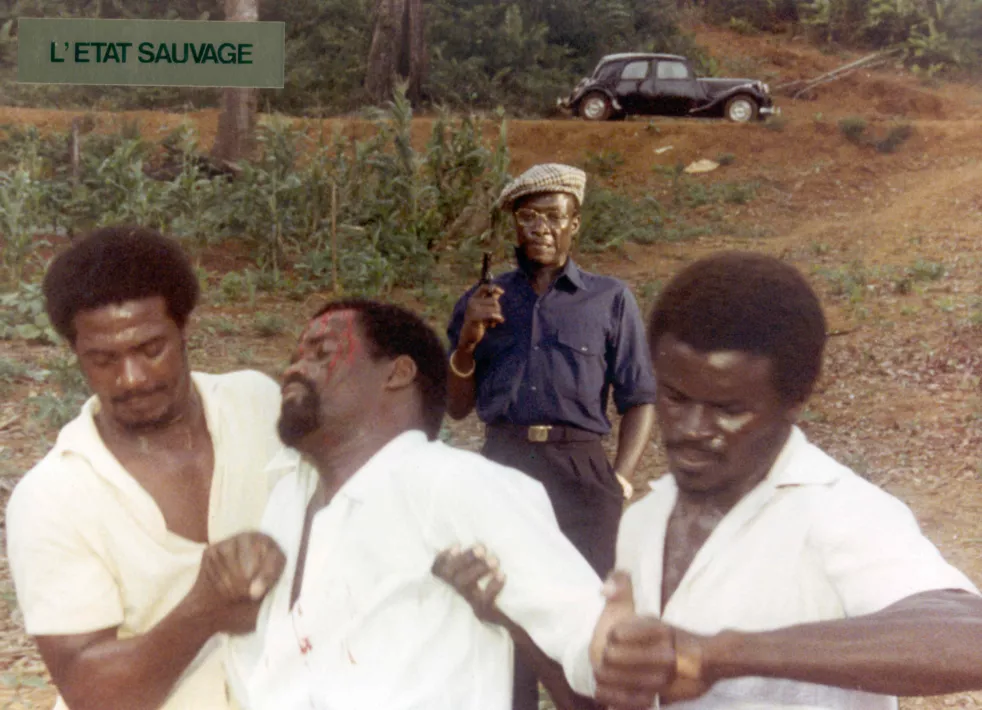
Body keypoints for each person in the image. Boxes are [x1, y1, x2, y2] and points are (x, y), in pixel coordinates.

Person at [441, 251, 982, 710]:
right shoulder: (646, 523)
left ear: (794, 400)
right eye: (676, 398)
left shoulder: (837, 512)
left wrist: (721, 653)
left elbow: (968, 634)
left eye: (728, 409)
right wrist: (513, 618)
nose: (692, 431)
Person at [225, 299, 612, 710]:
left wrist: (519, 627)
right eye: (294, 358)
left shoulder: (453, 483)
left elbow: (595, 647)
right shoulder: (288, 495)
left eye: (322, 354)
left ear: (398, 373)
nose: (294, 369)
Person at [6, 226, 288, 710]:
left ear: (184, 329)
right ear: (75, 354)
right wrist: (204, 609)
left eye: (151, 349)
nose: (132, 379)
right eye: (103, 359)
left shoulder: (258, 406)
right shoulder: (53, 497)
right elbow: (90, 694)